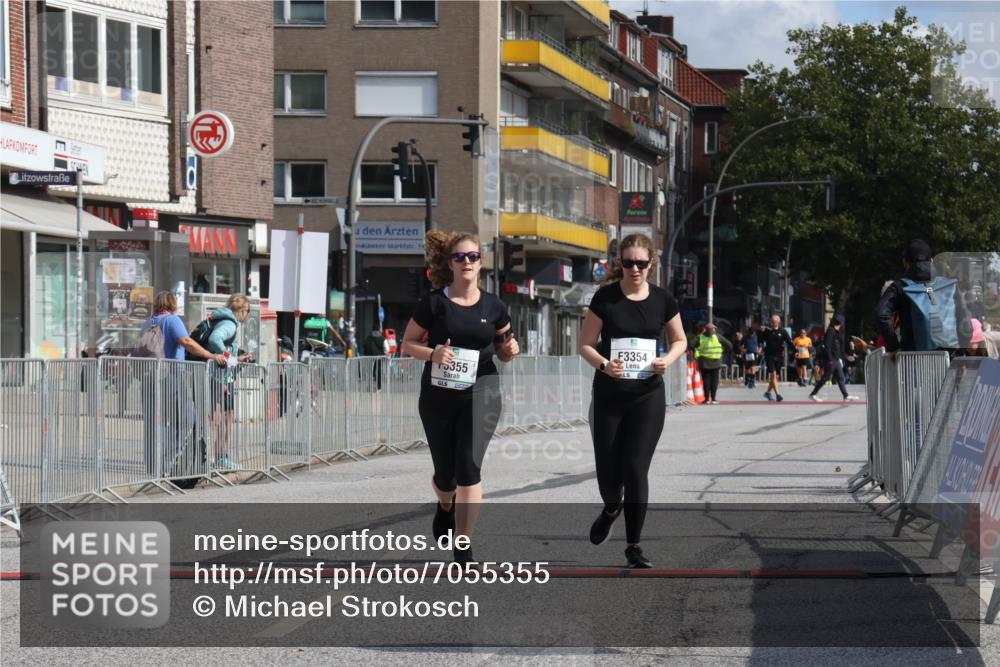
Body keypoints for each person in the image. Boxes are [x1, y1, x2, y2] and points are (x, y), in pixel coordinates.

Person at [401, 231, 519, 566]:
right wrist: (433, 352)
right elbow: (408, 343)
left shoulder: (495, 306)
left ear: (481, 262)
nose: (466, 262)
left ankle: (464, 546)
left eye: (472, 257)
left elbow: (505, 347)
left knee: (469, 468)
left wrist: (510, 350)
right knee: (445, 474)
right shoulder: (435, 303)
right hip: (438, 395)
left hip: (482, 392)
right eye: (459, 257)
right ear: (450, 264)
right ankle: (445, 504)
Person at [579, 234, 687, 568]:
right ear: (620, 264)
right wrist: (604, 364)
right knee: (609, 476)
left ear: (651, 264)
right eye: (629, 263)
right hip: (610, 394)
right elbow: (585, 344)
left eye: (641, 263)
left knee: (636, 469)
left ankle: (633, 546)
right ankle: (612, 507)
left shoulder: (663, 300)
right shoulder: (606, 298)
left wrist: (666, 361)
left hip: (647, 396)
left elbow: (680, 339)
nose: (635, 269)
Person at [140, 291, 226, 477]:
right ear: (172, 304)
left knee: (160, 423)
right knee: (186, 420)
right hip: (172, 376)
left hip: (150, 378)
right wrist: (212, 355)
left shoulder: (147, 323)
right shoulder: (172, 320)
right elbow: (186, 342)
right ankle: (166, 465)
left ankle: (153, 466)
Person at [875, 239, 969, 360]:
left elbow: (881, 314)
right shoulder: (949, 286)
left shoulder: (900, 287)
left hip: (912, 362)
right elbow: (967, 327)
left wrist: (894, 347)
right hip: (946, 362)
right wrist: (958, 354)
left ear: (905, 263)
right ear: (931, 260)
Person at [204, 294, 253, 470]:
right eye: (248, 311)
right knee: (223, 419)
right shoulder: (230, 324)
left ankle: (220, 456)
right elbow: (214, 340)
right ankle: (220, 458)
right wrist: (228, 357)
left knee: (224, 417)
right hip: (220, 378)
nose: (248, 315)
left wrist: (235, 359)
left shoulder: (224, 320)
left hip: (220, 376)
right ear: (240, 310)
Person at [809, 315, 860, 402]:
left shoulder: (836, 332)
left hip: (835, 359)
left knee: (840, 377)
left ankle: (845, 395)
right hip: (831, 360)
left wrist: (840, 358)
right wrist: (829, 359)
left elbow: (837, 346)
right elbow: (827, 346)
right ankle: (813, 394)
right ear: (841, 323)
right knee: (826, 377)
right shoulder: (831, 331)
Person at [692, 322, 732, 404]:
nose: (714, 330)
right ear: (712, 329)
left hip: (704, 362)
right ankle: (713, 399)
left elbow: (691, 345)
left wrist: (696, 352)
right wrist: (723, 352)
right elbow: (729, 345)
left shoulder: (700, 337)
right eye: (714, 328)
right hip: (716, 362)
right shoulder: (718, 337)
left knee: (706, 380)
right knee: (714, 380)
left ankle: (707, 399)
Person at [761, 314, 794, 402]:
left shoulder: (782, 331)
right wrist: (761, 332)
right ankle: (778, 395)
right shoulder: (767, 331)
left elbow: (789, 342)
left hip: (779, 356)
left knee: (776, 377)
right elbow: (760, 340)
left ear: (778, 322)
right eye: (771, 321)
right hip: (769, 356)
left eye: (774, 321)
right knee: (773, 374)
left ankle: (768, 392)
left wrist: (795, 351)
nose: (772, 323)